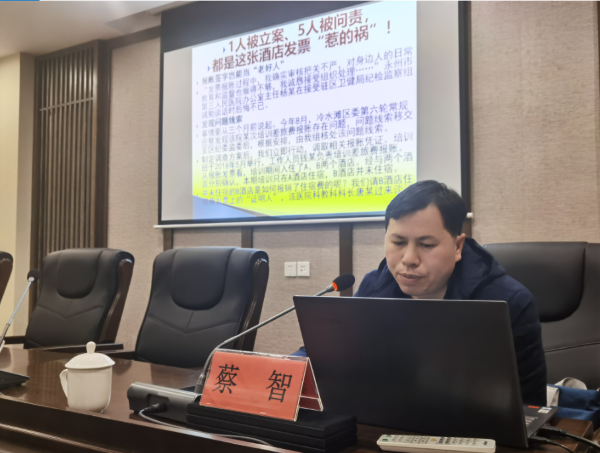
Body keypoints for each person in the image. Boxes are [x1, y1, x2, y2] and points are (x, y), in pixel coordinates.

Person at [293, 180, 547, 405]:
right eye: (398, 242)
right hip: (386, 420)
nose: (409, 259)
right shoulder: (375, 287)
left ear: (458, 246)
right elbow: (331, 350)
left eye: (426, 244)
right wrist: (292, 365)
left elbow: (528, 405)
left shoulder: (507, 301)